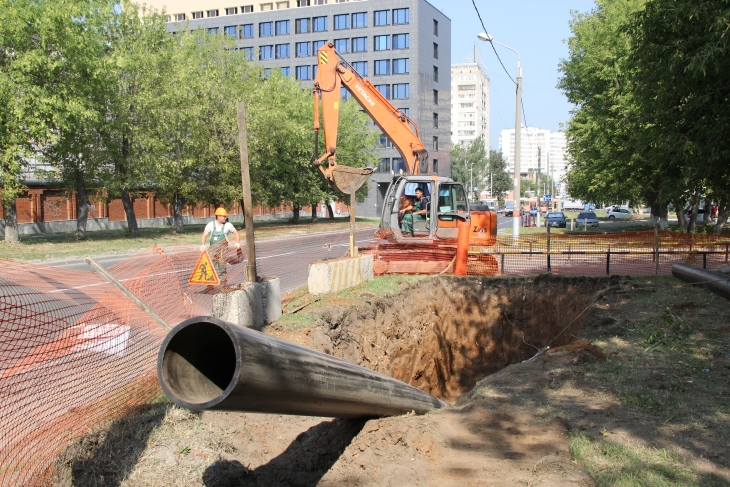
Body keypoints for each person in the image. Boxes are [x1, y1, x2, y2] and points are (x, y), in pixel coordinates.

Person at [200, 207, 240, 282]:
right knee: (210, 267)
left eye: (226, 216)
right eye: (224, 216)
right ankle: (210, 284)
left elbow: (236, 233)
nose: (225, 218)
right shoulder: (210, 225)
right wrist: (203, 245)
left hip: (222, 250)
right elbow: (204, 235)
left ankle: (223, 284)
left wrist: (237, 242)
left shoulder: (228, 225)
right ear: (218, 216)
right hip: (212, 250)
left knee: (222, 267)